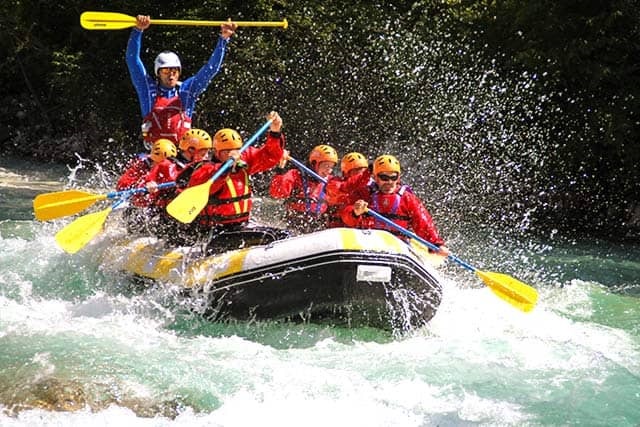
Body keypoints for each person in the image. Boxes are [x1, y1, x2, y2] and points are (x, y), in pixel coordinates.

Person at [126, 15, 238, 146]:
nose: (171, 75)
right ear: (158, 73)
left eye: (174, 71)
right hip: (155, 154)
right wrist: (138, 31)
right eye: (166, 71)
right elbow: (132, 60)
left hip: (183, 157)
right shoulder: (148, 90)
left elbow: (211, 69)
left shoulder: (187, 91)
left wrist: (223, 39)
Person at [179, 111, 286, 244]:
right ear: (217, 152)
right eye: (228, 151)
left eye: (237, 149)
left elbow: (271, 156)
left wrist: (275, 132)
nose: (235, 154)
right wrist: (226, 166)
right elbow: (206, 185)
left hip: (241, 226)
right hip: (218, 232)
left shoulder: (244, 160)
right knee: (272, 238)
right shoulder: (206, 168)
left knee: (283, 235)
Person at [341, 154, 449, 254]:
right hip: (368, 243)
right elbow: (346, 217)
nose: (389, 182)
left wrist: (436, 244)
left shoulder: (407, 198)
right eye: (384, 177)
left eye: (393, 177)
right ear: (375, 177)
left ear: (398, 177)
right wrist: (355, 212)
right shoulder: (364, 193)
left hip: (397, 245)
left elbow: (423, 222)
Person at [269, 144, 338, 233]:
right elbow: (277, 193)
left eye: (331, 167)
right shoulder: (296, 175)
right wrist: (281, 167)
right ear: (314, 163)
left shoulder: (331, 182)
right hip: (294, 226)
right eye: (326, 166)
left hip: (319, 228)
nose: (329, 171)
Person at [324, 151, 371, 228]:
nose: (361, 173)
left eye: (363, 170)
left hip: (361, 230)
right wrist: (365, 175)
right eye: (357, 171)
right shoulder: (335, 184)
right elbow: (348, 186)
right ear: (346, 174)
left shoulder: (368, 187)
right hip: (339, 230)